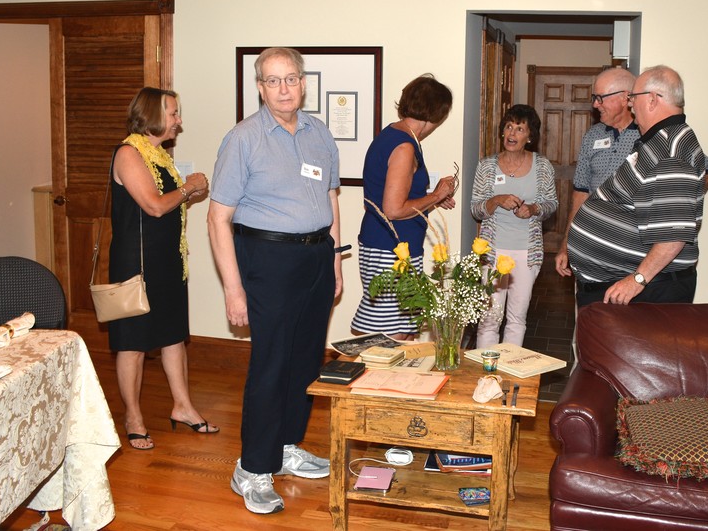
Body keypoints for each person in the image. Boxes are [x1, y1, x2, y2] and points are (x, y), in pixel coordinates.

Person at [207, 47, 343, 516]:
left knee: (305, 360)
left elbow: (331, 198)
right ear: (260, 87)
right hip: (267, 260)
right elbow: (217, 218)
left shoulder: (319, 132)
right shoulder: (243, 139)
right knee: (271, 363)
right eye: (273, 80)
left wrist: (335, 262)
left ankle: (285, 447)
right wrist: (233, 289)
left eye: (290, 79)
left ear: (303, 83)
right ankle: (252, 468)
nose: (283, 89)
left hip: (316, 257)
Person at [108, 87, 214, 452]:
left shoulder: (158, 154)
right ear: (153, 114)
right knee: (133, 343)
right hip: (135, 265)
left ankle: (183, 407)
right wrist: (189, 188)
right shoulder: (128, 153)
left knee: (173, 336)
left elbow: (166, 203)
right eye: (173, 113)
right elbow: (154, 206)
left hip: (167, 260)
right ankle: (133, 418)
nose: (178, 120)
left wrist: (187, 192)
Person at [566, 65, 708, 307]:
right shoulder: (659, 141)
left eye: (633, 97)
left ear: (652, 99)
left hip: (647, 290)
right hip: (625, 284)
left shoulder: (672, 151)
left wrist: (637, 280)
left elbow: (673, 235)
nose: (630, 104)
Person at [351, 74, 457, 339]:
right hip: (389, 248)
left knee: (403, 331)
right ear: (437, 114)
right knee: (390, 337)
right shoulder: (404, 146)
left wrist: (432, 199)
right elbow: (394, 210)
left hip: (394, 244)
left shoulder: (396, 135)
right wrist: (436, 195)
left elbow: (398, 199)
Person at [470, 104, 558, 348]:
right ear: (502, 131)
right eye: (509, 127)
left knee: (517, 319)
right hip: (492, 252)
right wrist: (496, 200)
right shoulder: (486, 166)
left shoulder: (542, 166)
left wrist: (533, 209)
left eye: (520, 129)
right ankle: (486, 368)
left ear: (529, 137)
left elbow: (551, 203)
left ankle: (509, 368)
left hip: (527, 252)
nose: (512, 133)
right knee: (489, 319)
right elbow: (476, 209)